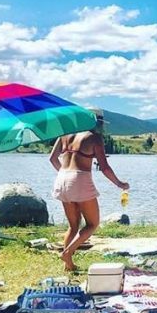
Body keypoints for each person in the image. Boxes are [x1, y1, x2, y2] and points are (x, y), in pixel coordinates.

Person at [49, 108, 129, 271]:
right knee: (92, 223)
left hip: (62, 177)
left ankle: (68, 265)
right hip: (79, 178)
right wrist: (120, 184)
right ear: (96, 122)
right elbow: (105, 168)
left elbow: (52, 158)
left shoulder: (65, 134)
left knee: (73, 225)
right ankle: (68, 252)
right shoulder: (94, 138)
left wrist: (65, 175)